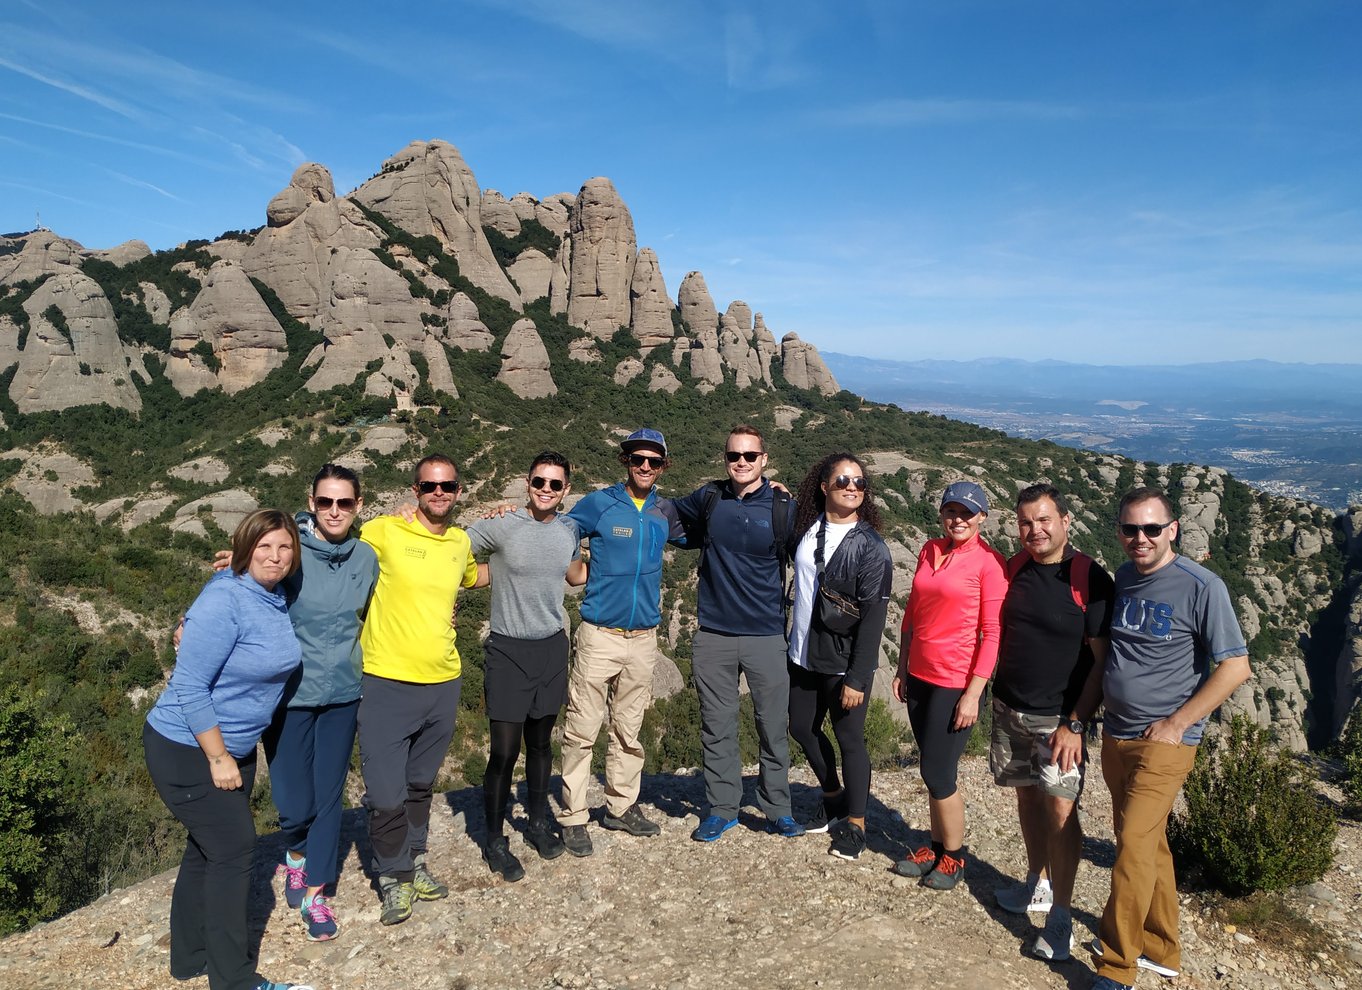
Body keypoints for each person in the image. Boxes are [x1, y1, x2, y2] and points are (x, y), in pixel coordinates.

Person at [1081, 487, 1251, 990]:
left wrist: (1177, 724)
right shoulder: (1126, 577)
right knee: (1148, 846)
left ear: (1172, 529)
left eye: (1152, 529)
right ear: (1119, 531)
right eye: (1131, 528)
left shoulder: (1201, 586)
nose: (1141, 538)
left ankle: (1116, 967)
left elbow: (1236, 667)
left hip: (1164, 743)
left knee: (1132, 847)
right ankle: (1162, 948)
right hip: (1117, 735)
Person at [143, 510, 313, 990]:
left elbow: (312, 527)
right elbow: (192, 686)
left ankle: (189, 958)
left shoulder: (272, 593)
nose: (276, 557)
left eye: (284, 548)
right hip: (188, 746)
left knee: (207, 849)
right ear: (242, 549)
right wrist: (218, 757)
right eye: (263, 547)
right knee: (235, 851)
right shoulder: (225, 599)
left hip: (230, 746)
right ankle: (235, 980)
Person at [990, 484, 1114, 961]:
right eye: (1025, 522)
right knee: (1027, 799)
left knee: (1062, 813)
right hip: (1009, 710)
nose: (1034, 530)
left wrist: (1076, 723)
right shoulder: (1014, 568)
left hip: (1060, 723)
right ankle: (1035, 882)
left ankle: (1060, 917)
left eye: (1043, 520)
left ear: (1065, 521)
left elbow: (1102, 664)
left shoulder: (1089, 578)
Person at [357, 455, 478, 925]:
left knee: (419, 784)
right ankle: (393, 878)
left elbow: (473, 576)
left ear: (459, 491)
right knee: (386, 793)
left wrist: (521, 540)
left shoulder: (461, 542)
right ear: (415, 490)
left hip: (443, 681)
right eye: (430, 487)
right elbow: (329, 545)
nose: (439, 494)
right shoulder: (385, 531)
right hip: (386, 680)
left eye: (447, 487)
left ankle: (416, 862)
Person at [557, 428, 686, 857]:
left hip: (644, 638)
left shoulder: (663, 512)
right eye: (637, 459)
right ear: (625, 461)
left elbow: (715, 519)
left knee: (629, 730)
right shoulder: (600, 503)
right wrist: (577, 571)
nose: (645, 467)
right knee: (581, 729)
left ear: (664, 466)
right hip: (599, 635)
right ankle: (574, 816)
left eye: (653, 461)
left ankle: (620, 805)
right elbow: (559, 531)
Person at [672, 425, 804, 842]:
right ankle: (723, 808)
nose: (741, 463)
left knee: (772, 725)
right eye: (734, 456)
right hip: (714, 633)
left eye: (750, 455)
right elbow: (661, 512)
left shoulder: (785, 507)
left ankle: (778, 808)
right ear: (725, 460)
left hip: (766, 633)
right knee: (717, 724)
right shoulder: (710, 497)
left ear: (765, 459)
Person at [265, 465, 378, 941]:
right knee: (294, 802)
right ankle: (295, 851)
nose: (335, 511)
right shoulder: (288, 552)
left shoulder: (367, 558)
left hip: (343, 696)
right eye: (326, 502)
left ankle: (315, 895)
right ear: (311, 503)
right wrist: (192, 616)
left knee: (330, 796)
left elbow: (376, 610)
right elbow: (243, 583)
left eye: (345, 503)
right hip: (290, 695)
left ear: (357, 506)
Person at [465, 451, 588, 881]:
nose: (547, 491)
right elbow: (454, 549)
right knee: (503, 751)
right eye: (540, 482)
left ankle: (537, 822)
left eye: (556, 484)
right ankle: (495, 839)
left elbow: (574, 575)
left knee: (540, 745)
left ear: (566, 489)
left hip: (551, 649)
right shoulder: (501, 524)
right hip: (507, 650)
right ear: (527, 482)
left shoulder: (569, 531)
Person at [892, 480, 1007, 890]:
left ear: (982, 518)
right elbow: (912, 613)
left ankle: (954, 858)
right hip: (920, 675)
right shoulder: (929, 550)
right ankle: (935, 847)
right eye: (951, 511)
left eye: (967, 512)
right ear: (941, 513)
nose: (958, 519)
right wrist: (903, 666)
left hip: (955, 682)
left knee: (939, 772)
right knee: (931, 770)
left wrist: (974, 693)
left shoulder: (989, 564)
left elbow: (992, 633)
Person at [786, 452, 893, 861]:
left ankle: (856, 824)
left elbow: (873, 620)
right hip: (802, 654)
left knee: (849, 740)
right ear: (824, 486)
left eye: (859, 483)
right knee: (801, 727)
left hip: (843, 660)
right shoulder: (807, 526)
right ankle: (832, 796)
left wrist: (858, 677)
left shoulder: (871, 548)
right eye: (843, 480)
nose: (852, 487)